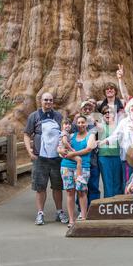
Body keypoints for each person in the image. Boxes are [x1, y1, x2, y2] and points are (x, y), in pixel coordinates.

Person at [24, 92, 68, 225]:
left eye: (50, 100)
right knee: (40, 186)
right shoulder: (34, 116)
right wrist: (29, 151)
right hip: (40, 158)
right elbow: (27, 134)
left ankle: (59, 211)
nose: (48, 102)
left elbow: (64, 133)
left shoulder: (58, 116)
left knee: (57, 186)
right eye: (45, 100)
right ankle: (40, 213)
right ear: (40, 101)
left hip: (56, 158)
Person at [59, 115, 97, 227]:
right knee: (70, 191)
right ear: (76, 124)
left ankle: (83, 218)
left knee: (82, 191)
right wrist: (61, 151)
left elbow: (89, 148)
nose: (80, 124)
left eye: (82, 122)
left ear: (86, 124)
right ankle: (71, 220)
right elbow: (61, 147)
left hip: (83, 167)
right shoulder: (71, 135)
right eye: (78, 122)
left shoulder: (90, 135)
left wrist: (73, 154)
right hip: (67, 166)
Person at [96, 105, 123, 198]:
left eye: (110, 112)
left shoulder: (119, 126)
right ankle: (108, 203)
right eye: (105, 112)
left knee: (118, 181)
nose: (107, 114)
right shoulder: (100, 126)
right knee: (107, 182)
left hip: (117, 156)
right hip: (104, 157)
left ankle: (118, 203)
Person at [59, 118, 86, 184]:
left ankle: (78, 176)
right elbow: (65, 142)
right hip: (65, 151)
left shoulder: (68, 133)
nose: (68, 125)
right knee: (79, 159)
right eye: (65, 124)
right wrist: (72, 149)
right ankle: (79, 176)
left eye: (69, 124)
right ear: (62, 126)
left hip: (65, 151)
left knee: (78, 159)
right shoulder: (64, 133)